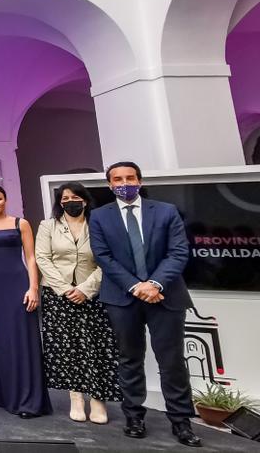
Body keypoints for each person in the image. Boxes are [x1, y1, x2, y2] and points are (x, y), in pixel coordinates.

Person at [89, 162, 200, 448]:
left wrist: (154, 284)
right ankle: (134, 417)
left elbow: (178, 252)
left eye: (129, 177)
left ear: (139, 180)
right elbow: (102, 256)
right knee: (129, 358)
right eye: (117, 179)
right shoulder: (100, 216)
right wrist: (136, 286)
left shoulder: (165, 211)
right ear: (109, 185)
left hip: (165, 295)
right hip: (123, 297)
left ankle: (181, 421)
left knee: (172, 361)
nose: (124, 182)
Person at [35, 182, 121, 424]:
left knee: (95, 347)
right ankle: (76, 398)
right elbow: (42, 258)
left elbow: (107, 260)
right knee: (67, 347)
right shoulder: (48, 226)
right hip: (57, 294)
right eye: (65, 198)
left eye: (75, 197)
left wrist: (85, 289)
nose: (70, 202)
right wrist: (64, 289)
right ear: (59, 202)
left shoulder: (98, 225)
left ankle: (97, 399)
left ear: (84, 200)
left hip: (92, 294)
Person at [0, 184, 52, 418]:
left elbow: (31, 256)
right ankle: (4, 394)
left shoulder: (21, 223)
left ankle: (28, 399)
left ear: (5, 200)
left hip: (18, 285)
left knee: (22, 340)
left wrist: (33, 287)